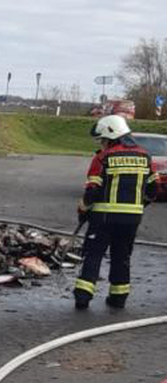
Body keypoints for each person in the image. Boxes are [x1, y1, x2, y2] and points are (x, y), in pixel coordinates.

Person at [73, 115, 158, 310]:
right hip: (132, 219)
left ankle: (83, 297)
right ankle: (118, 298)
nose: (102, 144)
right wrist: (138, 206)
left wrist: (83, 210)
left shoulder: (103, 158)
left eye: (102, 140)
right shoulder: (145, 157)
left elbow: (92, 190)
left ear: (111, 135)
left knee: (93, 254)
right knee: (122, 256)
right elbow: (153, 190)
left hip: (103, 217)